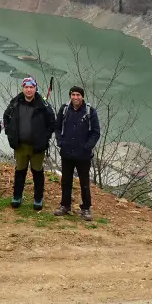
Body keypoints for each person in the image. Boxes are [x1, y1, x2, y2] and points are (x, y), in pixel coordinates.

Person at [3, 77, 57, 210]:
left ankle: (38, 199)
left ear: (35, 88)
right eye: (26, 87)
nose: (28, 90)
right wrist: (10, 133)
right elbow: (6, 117)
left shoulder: (43, 105)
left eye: (31, 87)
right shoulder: (16, 102)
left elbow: (52, 122)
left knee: (37, 172)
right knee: (20, 171)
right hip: (20, 145)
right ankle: (17, 197)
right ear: (23, 88)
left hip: (37, 146)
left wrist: (45, 138)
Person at [54, 85, 101, 221]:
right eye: (73, 95)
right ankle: (65, 206)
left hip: (83, 154)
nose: (75, 97)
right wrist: (60, 141)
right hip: (67, 152)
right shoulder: (64, 110)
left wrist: (88, 146)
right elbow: (57, 127)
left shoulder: (89, 111)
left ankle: (86, 208)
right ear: (70, 96)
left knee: (84, 182)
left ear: (82, 96)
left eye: (78, 95)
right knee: (66, 181)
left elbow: (96, 132)